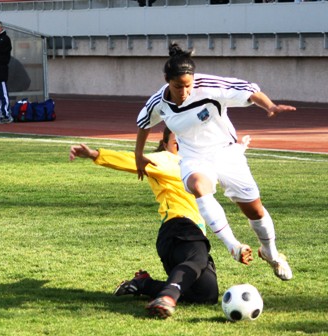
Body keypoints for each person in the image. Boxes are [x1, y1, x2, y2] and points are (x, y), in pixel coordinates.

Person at [135, 43, 295, 281]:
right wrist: (138, 155)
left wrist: (269, 105)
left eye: (188, 85)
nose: (184, 91)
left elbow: (248, 89)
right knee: (200, 186)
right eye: (178, 86)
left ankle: (271, 254)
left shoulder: (210, 86)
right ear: (167, 80)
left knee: (255, 210)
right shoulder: (159, 101)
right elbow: (143, 123)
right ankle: (233, 246)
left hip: (226, 153)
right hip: (193, 157)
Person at [70, 128, 250, 318]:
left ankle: (143, 284)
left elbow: (217, 161)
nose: (181, 144)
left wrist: (238, 149)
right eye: (176, 141)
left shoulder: (196, 164)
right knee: (197, 259)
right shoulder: (165, 159)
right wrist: (95, 154)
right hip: (178, 227)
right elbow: (133, 160)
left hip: (186, 236)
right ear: (165, 145)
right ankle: (167, 297)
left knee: (206, 295)